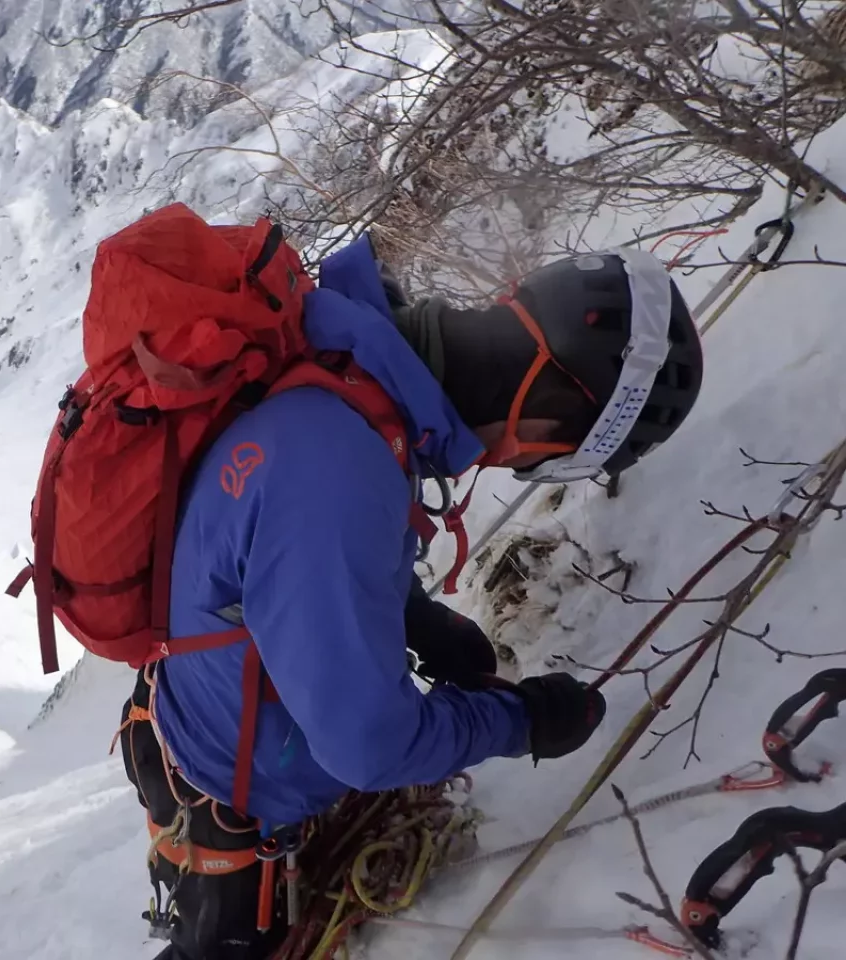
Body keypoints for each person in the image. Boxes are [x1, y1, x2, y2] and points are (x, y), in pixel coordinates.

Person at [115, 227, 704, 960]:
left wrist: (409, 615)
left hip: (205, 714)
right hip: (228, 789)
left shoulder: (352, 366)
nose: (530, 468)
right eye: (555, 463)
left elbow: (264, 553)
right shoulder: (340, 465)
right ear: (552, 411)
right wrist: (519, 722)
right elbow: (370, 745)